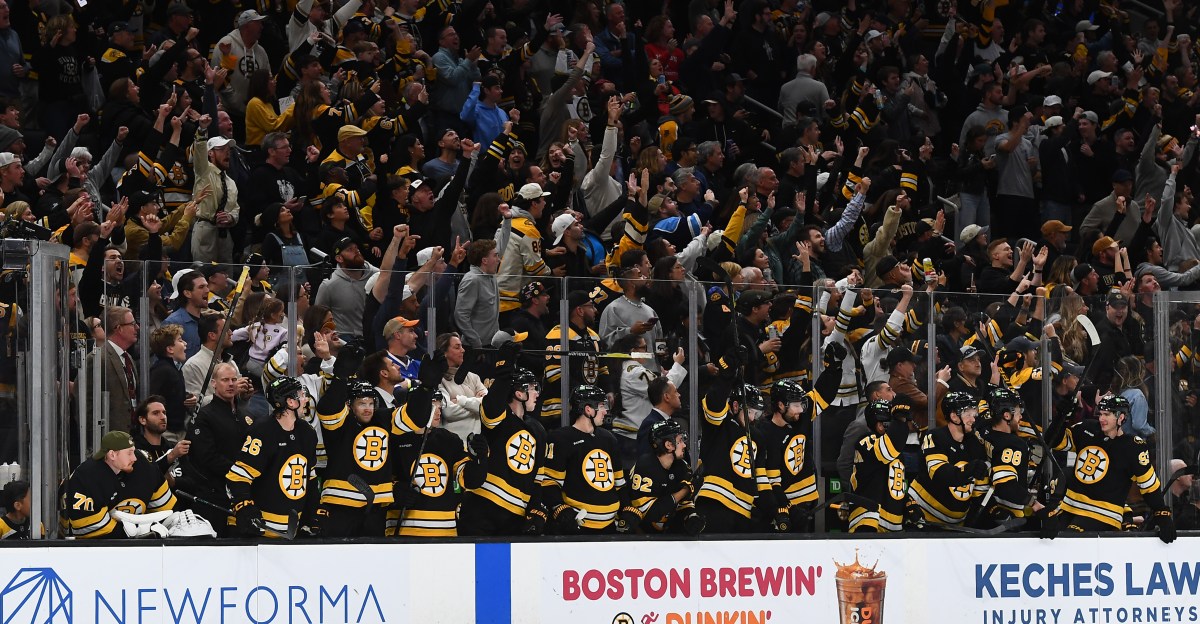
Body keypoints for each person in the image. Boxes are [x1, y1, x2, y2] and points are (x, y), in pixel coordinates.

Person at [1043, 395, 1175, 543]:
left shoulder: (1133, 447)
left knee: (1068, 542)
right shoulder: (1087, 428)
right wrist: (1061, 418)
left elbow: (1149, 486)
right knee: (1051, 541)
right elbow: (1051, 441)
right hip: (1070, 506)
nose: (1101, 418)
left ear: (1121, 418)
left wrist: (1161, 513)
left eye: (1107, 414)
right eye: (1100, 414)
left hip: (1102, 513)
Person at [387, 352, 489, 536]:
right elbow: (379, 478)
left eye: (439, 404)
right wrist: (394, 490)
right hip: (404, 534)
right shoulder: (395, 436)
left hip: (446, 533)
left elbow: (470, 481)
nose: (438, 410)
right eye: (432, 404)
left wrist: (479, 460)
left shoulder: (449, 440)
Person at [756, 349, 842, 533]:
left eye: (801, 404)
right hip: (785, 507)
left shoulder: (798, 416)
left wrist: (834, 367)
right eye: (795, 405)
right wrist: (788, 508)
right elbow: (772, 481)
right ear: (780, 405)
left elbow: (823, 394)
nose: (801, 409)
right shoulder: (765, 433)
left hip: (808, 500)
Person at [313, 351, 394, 537]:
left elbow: (413, 418)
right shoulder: (341, 423)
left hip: (375, 506)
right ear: (349, 405)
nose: (367, 409)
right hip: (340, 503)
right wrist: (341, 378)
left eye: (370, 403)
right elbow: (327, 408)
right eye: (361, 403)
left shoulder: (383, 419)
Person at [227, 376, 320, 538]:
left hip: (291, 530)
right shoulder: (262, 431)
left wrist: (312, 515)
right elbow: (237, 478)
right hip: (258, 530)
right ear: (290, 402)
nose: (305, 400)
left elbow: (309, 480)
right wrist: (245, 508)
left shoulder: (307, 433)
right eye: (301, 395)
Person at [695, 345, 768, 534]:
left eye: (757, 413)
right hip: (714, 504)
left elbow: (760, 477)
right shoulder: (720, 424)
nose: (753, 418)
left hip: (743, 512)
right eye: (750, 411)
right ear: (735, 405)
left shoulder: (757, 436)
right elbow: (714, 401)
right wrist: (727, 374)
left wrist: (769, 508)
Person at [176, 362, 253, 537]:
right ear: (214, 383)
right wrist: (239, 471)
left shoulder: (246, 416)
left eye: (234, 379)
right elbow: (207, 457)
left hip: (243, 492)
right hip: (214, 493)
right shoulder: (205, 416)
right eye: (225, 380)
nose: (231, 384)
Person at [60, 431, 176, 538]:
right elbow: (86, 528)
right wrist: (136, 531)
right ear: (112, 455)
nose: (134, 458)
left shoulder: (144, 465)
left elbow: (166, 510)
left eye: (134, 451)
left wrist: (171, 522)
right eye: (129, 453)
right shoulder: (86, 477)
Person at [542, 383, 625, 534]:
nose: (605, 411)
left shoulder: (609, 439)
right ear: (588, 409)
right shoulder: (561, 438)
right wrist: (561, 510)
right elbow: (550, 483)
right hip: (578, 528)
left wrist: (628, 510)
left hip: (611, 529)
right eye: (601, 406)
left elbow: (620, 484)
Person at [907, 392, 990, 529]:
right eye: (968, 414)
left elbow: (979, 491)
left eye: (974, 414)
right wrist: (967, 470)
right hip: (923, 517)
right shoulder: (935, 436)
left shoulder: (975, 443)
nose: (973, 419)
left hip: (956, 526)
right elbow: (940, 474)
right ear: (954, 417)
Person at [616, 419, 703, 535]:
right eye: (680, 440)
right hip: (636, 534)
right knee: (630, 519)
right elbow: (648, 514)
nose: (684, 445)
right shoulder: (645, 466)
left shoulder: (682, 466)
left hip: (662, 533)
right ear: (668, 445)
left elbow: (685, 504)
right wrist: (685, 490)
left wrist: (690, 516)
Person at [849, 400, 911, 533]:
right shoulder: (868, 440)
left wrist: (908, 503)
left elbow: (893, 482)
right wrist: (900, 419)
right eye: (890, 422)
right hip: (868, 517)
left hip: (892, 520)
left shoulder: (897, 451)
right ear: (879, 424)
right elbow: (885, 452)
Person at [977, 387, 1033, 524]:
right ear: (1007, 415)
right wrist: (1034, 504)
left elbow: (983, 408)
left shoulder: (982, 427)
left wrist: (992, 385)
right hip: (1009, 510)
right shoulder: (1015, 444)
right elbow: (1007, 486)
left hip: (986, 503)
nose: (1021, 416)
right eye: (1019, 412)